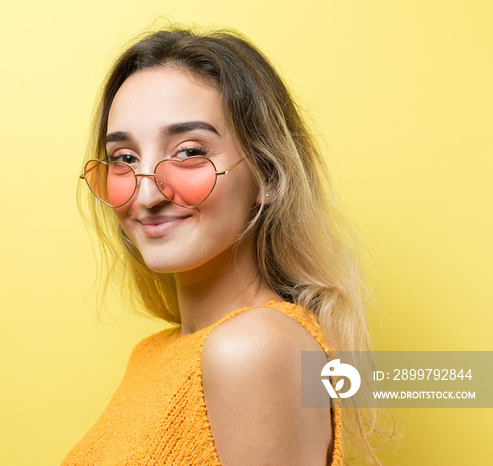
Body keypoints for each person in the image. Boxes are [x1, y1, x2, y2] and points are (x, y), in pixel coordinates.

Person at [64, 25, 384, 465]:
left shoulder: (253, 348)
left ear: (268, 176)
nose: (147, 194)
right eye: (124, 159)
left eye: (189, 152)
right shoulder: (154, 354)